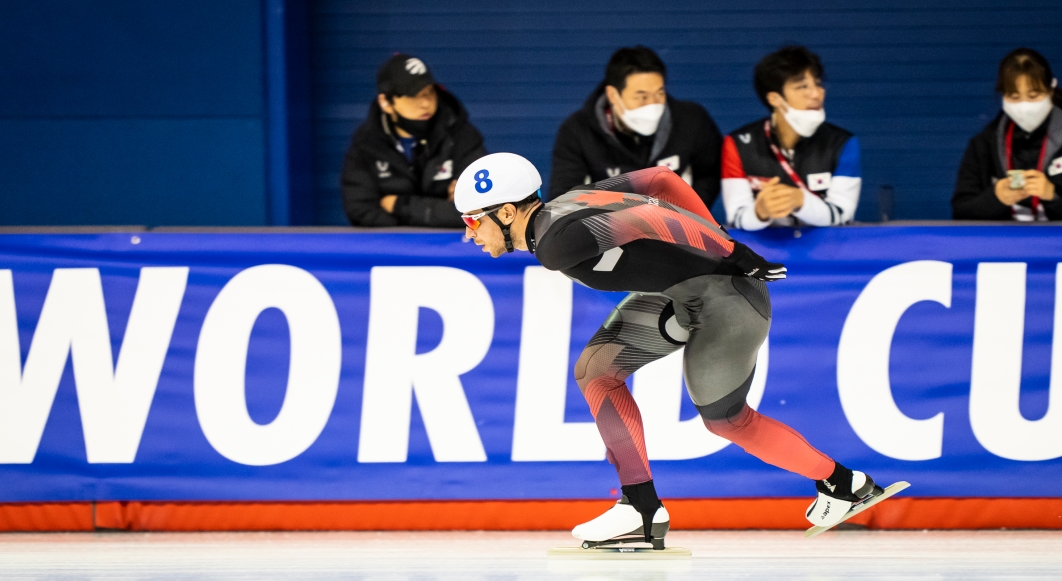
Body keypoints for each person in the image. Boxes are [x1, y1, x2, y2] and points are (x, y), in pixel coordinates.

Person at [454, 152, 881, 549]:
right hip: (684, 295)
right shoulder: (570, 201)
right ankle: (640, 507)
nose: (468, 234)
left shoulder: (555, 244)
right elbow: (660, 179)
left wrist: (731, 252)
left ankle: (843, 484)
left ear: (507, 212)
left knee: (727, 422)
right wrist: (714, 234)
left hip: (728, 300)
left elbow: (646, 215)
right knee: (595, 371)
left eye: (473, 223)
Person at [547, 46, 724, 208]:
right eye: (641, 97)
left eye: (659, 93)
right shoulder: (577, 131)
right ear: (613, 95)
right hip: (608, 234)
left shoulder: (692, 120)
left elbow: (710, 174)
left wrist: (688, 213)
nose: (653, 105)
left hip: (676, 228)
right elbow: (563, 198)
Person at [951, 48, 1062, 221]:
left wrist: (1054, 194)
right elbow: (960, 210)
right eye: (1014, 97)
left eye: (1033, 96)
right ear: (1003, 96)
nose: (1024, 106)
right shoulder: (983, 144)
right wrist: (995, 198)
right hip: (1003, 244)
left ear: (1051, 91)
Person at [721, 46, 862, 229]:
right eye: (802, 86)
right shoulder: (738, 144)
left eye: (817, 84)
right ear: (774, 98)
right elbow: (736, 217)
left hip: (826, 252)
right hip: (762, 253)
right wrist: (759, 212)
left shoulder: (843, 143)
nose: (816, 94)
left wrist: (800, 201)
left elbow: (841, 214)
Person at [339, 54, 487, 227]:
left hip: (452, 250)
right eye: (414, 96)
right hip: (392, 251)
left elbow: (478, 212)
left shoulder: (461, 135)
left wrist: (398, 205)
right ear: (386, 102)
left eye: (429, 93)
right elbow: (360, 211)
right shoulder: (366, 144)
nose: (425, 103)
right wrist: (431, 220)